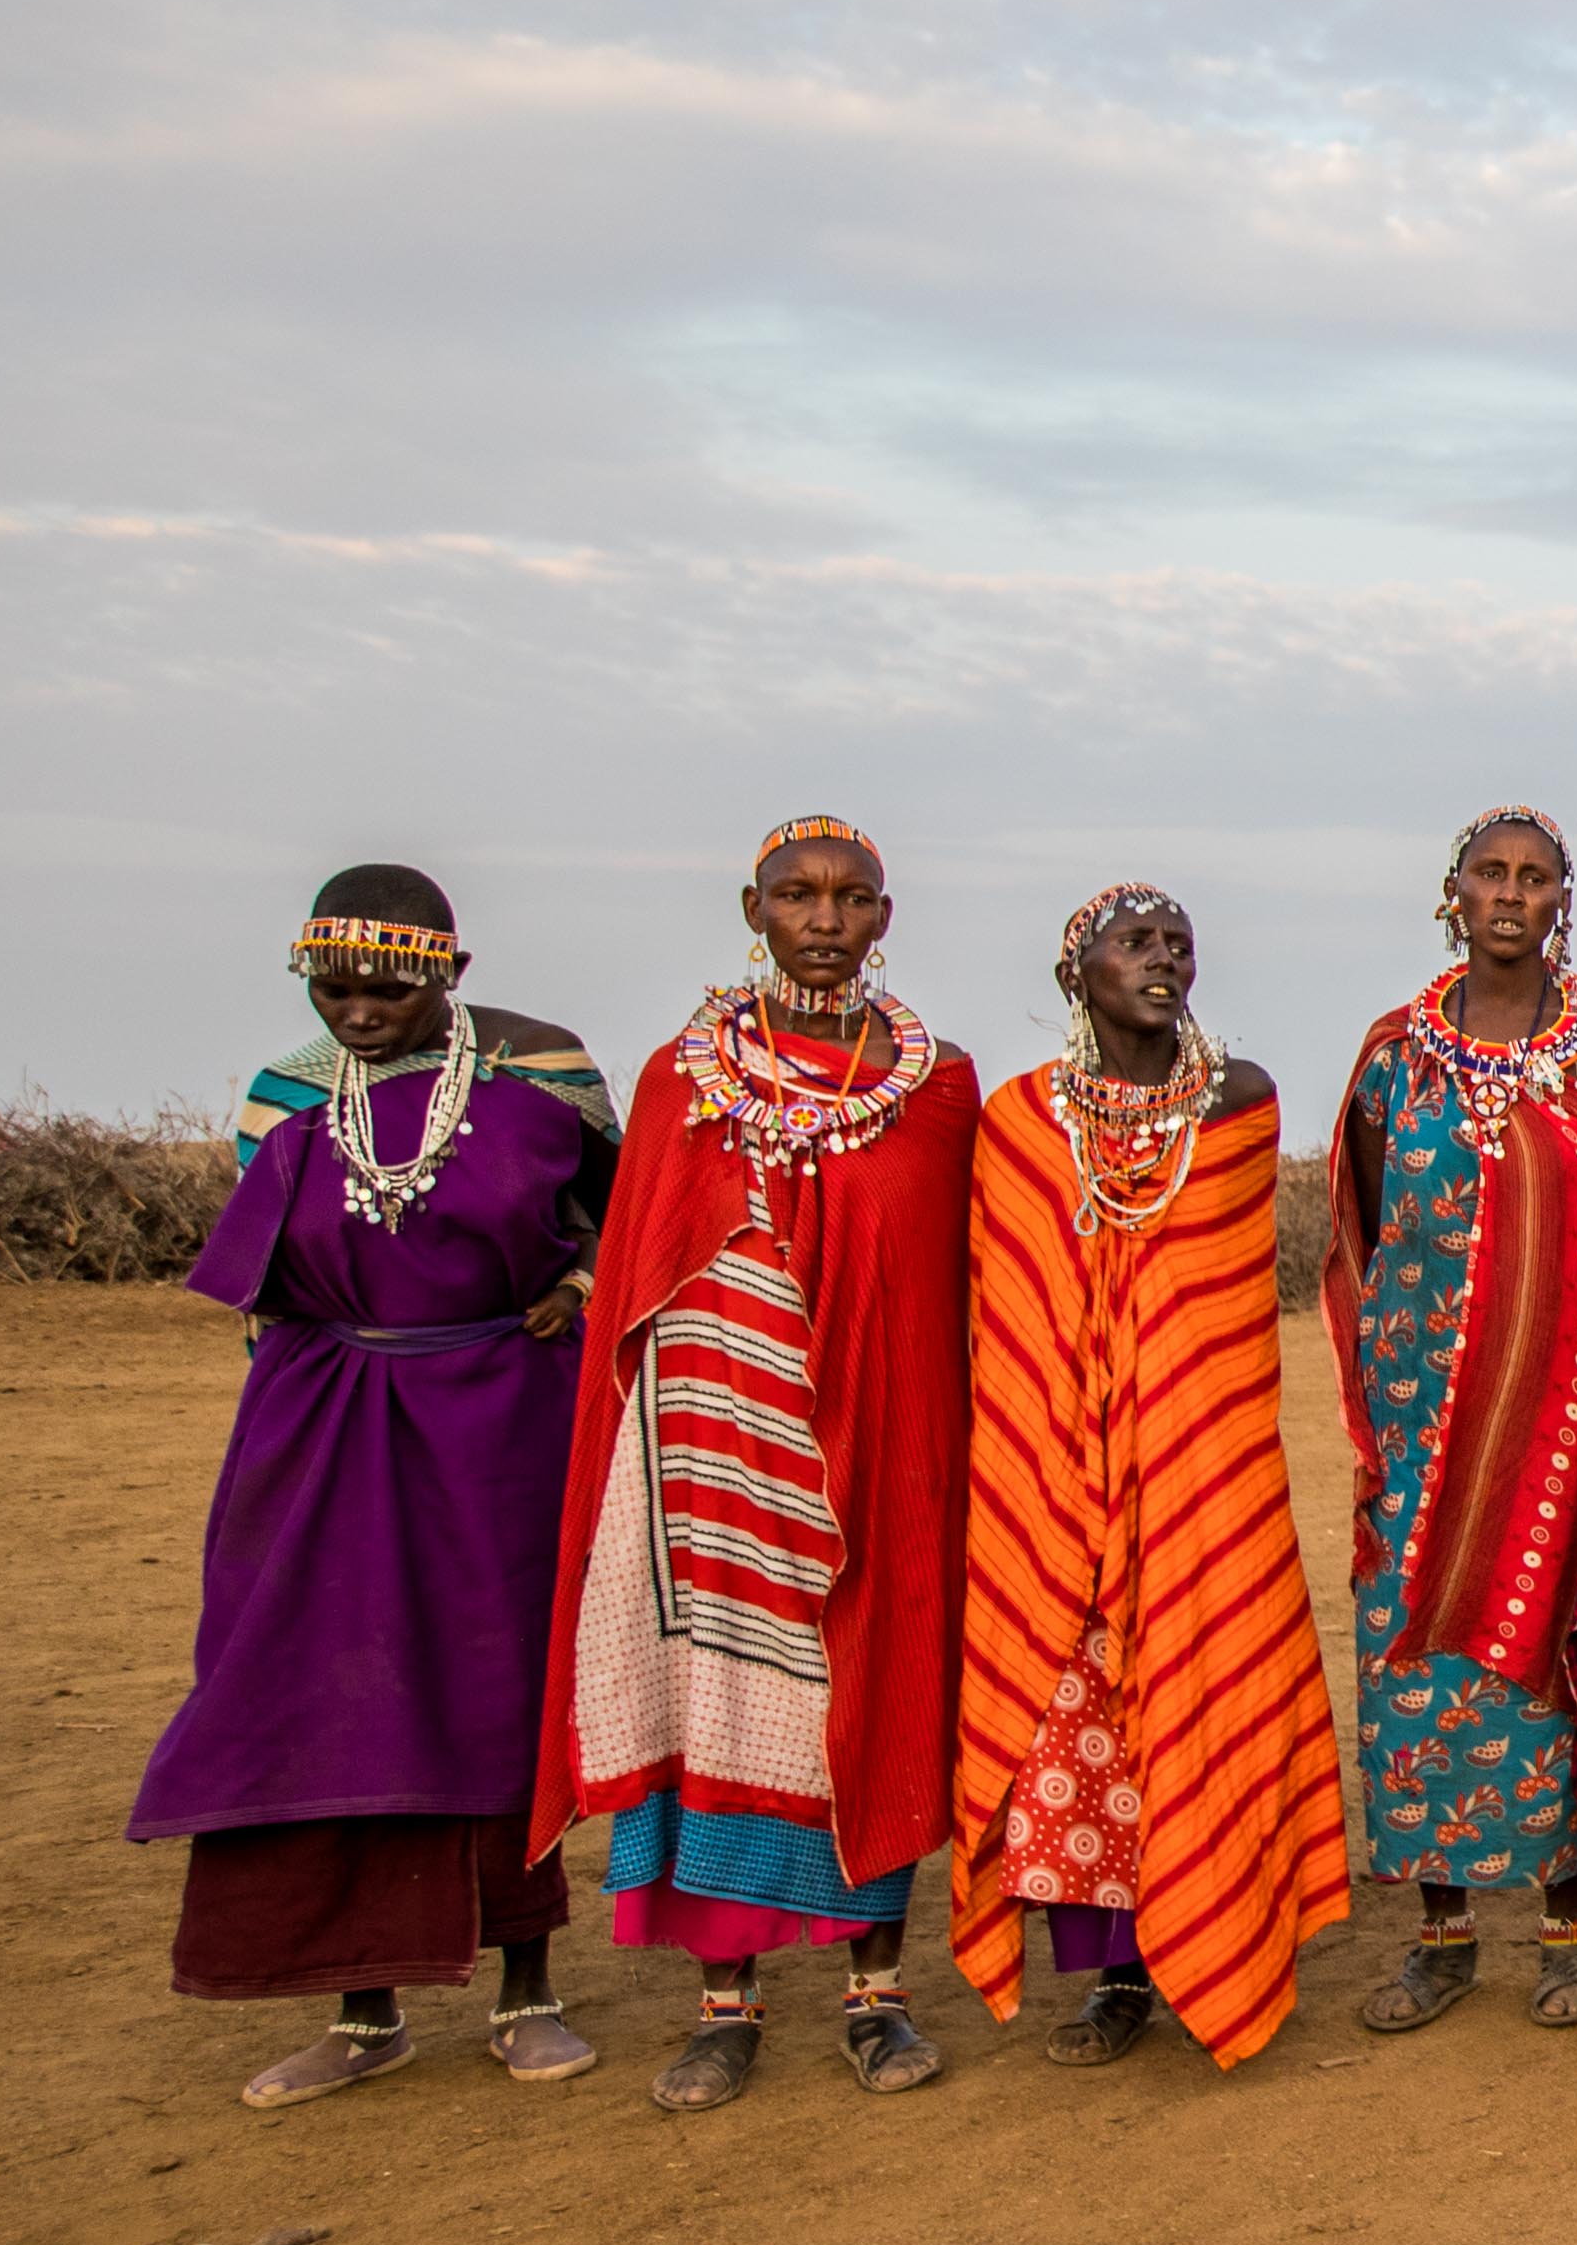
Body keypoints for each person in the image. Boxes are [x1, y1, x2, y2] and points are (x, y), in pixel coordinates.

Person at [140, 866, 622, 2108]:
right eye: (333, 988)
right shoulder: (288, 1095)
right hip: (330, 1429)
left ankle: (529, 1990)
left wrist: (575, 1289)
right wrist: (294, 1450)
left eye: (388, 989)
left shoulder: (544, 1076)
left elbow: (621, 1223)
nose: (358, 1012)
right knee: (341, 1689)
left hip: (503, 1423)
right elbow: (267, 1288)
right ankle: (364, 2009)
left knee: (498, 1687)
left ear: (449, 973)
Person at [538, 816, 979, 2109]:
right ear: (755, 908)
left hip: (881, 1445)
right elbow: (638, 1264)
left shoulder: (936, 1086)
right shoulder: (683, 1076)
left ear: (884, 916)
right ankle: (723, 2001)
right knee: (718, 1697)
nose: (825, 919)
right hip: (711, 1442)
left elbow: (946, 1280)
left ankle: (876, 1993)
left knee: (874, 1684)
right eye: (798, 895)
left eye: (851, 898)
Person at [948, 886, 1350, 2069]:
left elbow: (1216, 1305)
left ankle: (1235, 1943)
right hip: (1061, 1473)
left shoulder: (1238, 1103)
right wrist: (1062, 1439)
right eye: (1134, 944)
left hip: (1210, 1468)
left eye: (1178, 943)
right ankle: (1119, 1974)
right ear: (1075, 974)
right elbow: (1010, 1309)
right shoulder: (1023, 1119)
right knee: (1084, 1726)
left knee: (1218, 1677)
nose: (1162, 960)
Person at [1324, 807, 1577, 2034]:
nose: (1511, 893)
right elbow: (1370, 1230)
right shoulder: (1392, 1056)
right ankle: (1443, 1935)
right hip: (1421, 1427)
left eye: (1535, 877)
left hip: (1561, 1423)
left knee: (1549, 1654)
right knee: (1415, 1659)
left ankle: (1568, 1928)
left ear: (1563, 900)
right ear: (1453, 891)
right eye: (1491, 873)